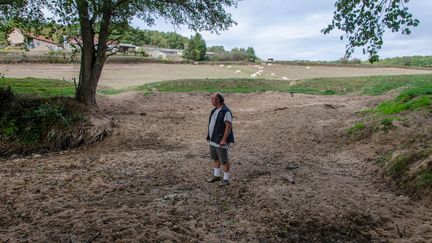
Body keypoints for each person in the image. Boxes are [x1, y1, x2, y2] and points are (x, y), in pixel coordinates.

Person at [206, 93, 234, 186]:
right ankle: (216, 175)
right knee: (215, 158)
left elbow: (228, 126)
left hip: (220, 140)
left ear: (218, 100)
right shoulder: (214, 110)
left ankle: (226, 179)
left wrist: (224, 139)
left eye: (213, 99)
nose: (211, 101)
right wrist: (209, 136)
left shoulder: (226, 111)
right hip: (213, 139)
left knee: (224, 160)